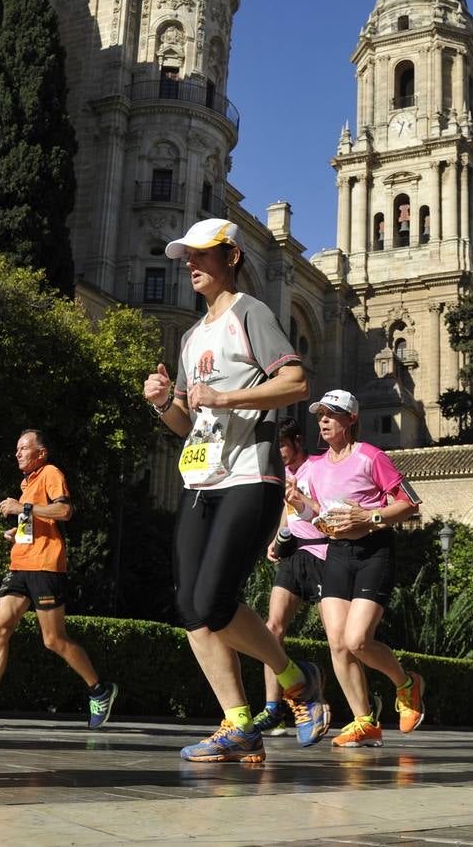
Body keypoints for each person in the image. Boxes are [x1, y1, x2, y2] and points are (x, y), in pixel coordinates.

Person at [142, 218, 328, 762]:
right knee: (191, 608)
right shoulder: (191, 336)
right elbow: (184, 420)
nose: (191, 266)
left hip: (251, 475)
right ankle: (239, 721)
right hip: (201, 480)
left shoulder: (252, 312)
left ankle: (297, 679)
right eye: (187, 258)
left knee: (215, 602)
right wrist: (161, 402)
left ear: (231, 257)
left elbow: (296, 382)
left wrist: (223, 400)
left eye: (202, 256)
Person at [0, 430, 117, 729]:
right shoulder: (26, 483)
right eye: (16, 449)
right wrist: (17, 531)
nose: (17, 453)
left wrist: (21, 508)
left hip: (45, 566)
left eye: (23, 448)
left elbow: (64, 510)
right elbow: (39, 520)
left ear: (40, 452)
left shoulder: (50, 472)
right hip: (20, 564)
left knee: (53, 639)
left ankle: (99, 690)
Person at [286, 389, 424, 748]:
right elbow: (319, 514)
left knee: (358, 640)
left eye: (332, 414)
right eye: (320, 416)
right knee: (337, 643)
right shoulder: (313, 467)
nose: (324, 421)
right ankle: (365, 721)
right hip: (337, 553)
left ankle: (407, 684)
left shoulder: (371, 457)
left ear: (351, 419)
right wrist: (301, 504)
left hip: (374, 552)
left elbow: (409, 502)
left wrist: (370, 515)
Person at [251, 418, 329, 737]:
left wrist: (303, 502)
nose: (280, 452)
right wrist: (275, 539)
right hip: (293, 554)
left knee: (340, 639)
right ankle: (272, 708)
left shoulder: (320, 469)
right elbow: (288, 511)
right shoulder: (284, 474)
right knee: (272, 629)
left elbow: (328, 509)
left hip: (323, 553)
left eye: (283, 445)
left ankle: (365, 711)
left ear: (297, 441)